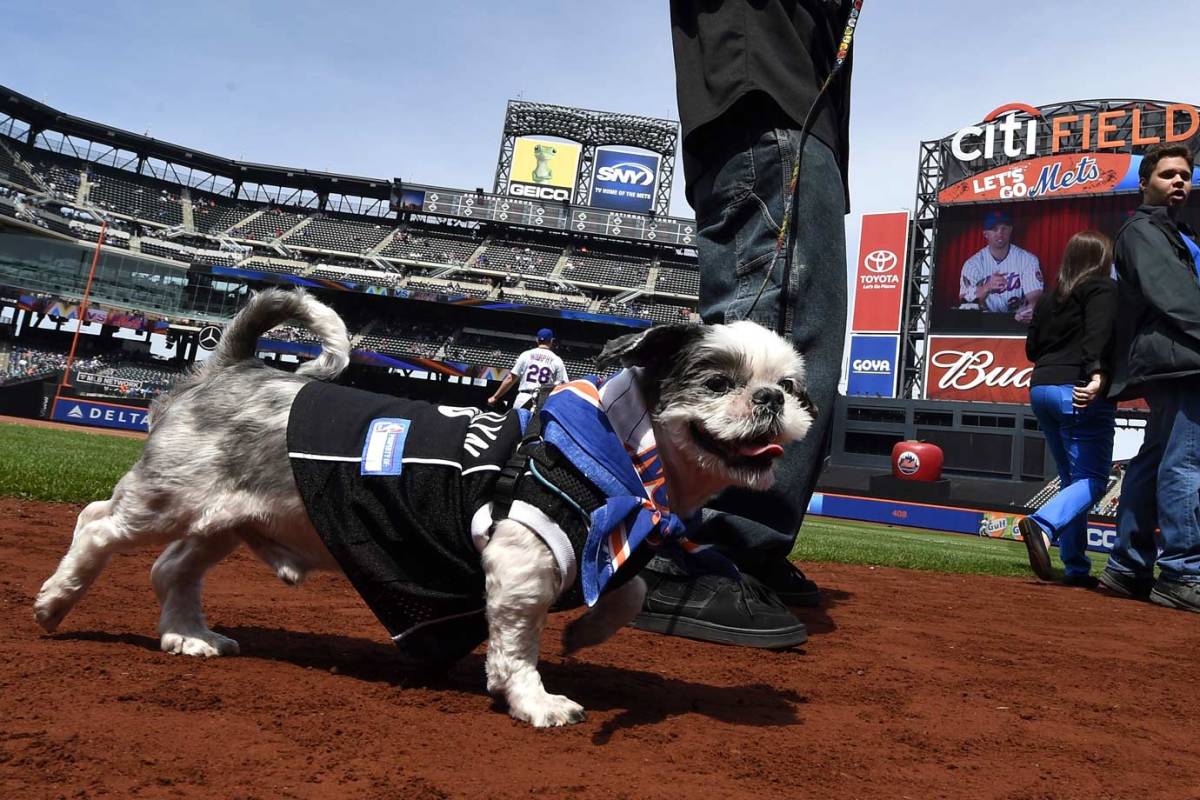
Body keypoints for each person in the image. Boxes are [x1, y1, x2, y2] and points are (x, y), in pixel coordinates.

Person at [636, 1, 856, 649]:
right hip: (768, 101)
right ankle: (702, 542)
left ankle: (739, 542)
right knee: (775, 339)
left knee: (796, 336)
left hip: (788, 112)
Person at [1098, 142, 1200, 612]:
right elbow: (1176, 298)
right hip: (1182, 357)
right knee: (1185, 462)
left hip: (1175, 356)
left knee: (1156, 459)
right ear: (1145, 183)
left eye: (1185, 174)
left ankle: (1127, 567)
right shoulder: (1143, 229)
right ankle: (1181, 572)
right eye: (1168, 174)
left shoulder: (1174, 232)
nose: (1179, 180)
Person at [1016, 231, 1118, 587]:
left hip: (1041, 388)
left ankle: (1075, 565)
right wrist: (1095, 374)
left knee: (1073, 482)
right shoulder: (1102, 289)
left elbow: (1032, 348)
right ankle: (1042, 523)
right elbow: (1099, 335)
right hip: (1077, 389)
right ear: (1102, 258)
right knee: (1092, 481)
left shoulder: (1047, 299)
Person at [958, 211, 1043, 322]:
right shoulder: (973, 264)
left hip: (1018, 320)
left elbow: (1035, 297)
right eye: (994, 229)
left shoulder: (1028, 259)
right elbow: (965, 302)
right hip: (982, 322)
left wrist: (1030, 310)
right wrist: (987, 287)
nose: (1000, 233)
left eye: (1004, 228)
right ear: (985, 234)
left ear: (1010, 230)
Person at [486, 328, 567, 411]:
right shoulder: (557, 360)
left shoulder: (526, 355)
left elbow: (510, 379)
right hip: (543, 401)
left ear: (537, 340)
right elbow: (563, 386)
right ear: (552, 341)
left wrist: (495, 397)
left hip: (523, 398)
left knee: (516, 423)